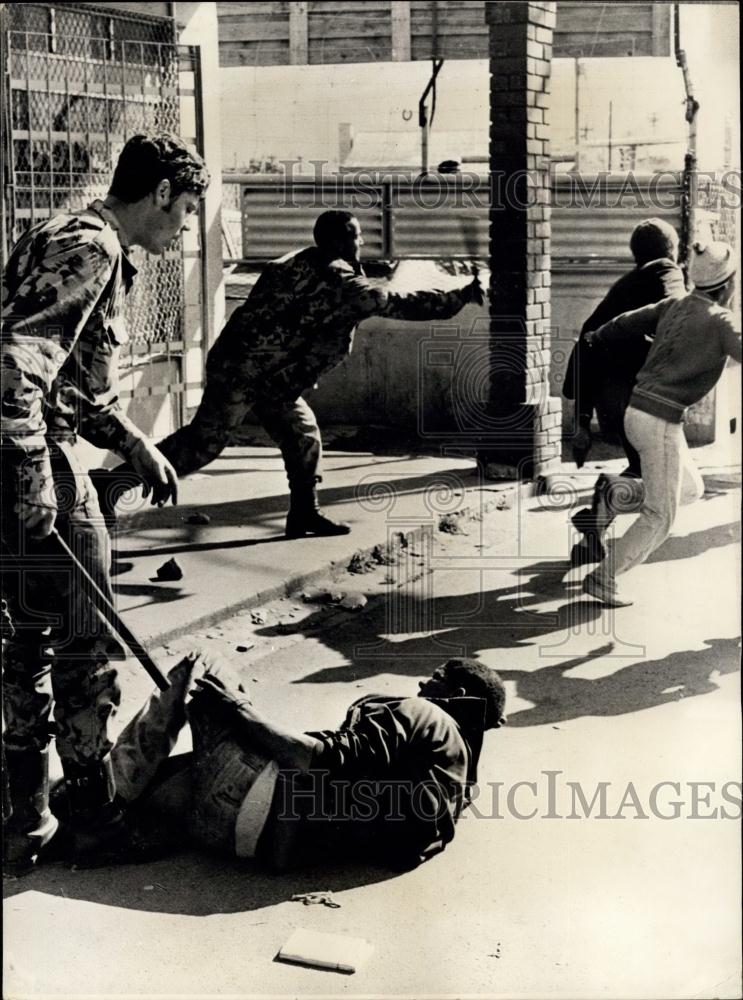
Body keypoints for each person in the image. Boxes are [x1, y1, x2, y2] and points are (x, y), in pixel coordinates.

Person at [1, 133, 210, 873]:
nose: (183, 228)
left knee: (27, 640)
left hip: (21, 454)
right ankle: (92, 820)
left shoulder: (64, 234)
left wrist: (135, 444)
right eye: (185, 210)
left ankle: (24, 821)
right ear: (161, 193)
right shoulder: (92, 249)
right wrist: (32, 476)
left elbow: (74, 385)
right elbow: (14, 366)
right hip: (35, 462)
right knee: (84, 646)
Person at [98, 210, 484, 538]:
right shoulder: (338, 280)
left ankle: (304, 513)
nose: (361, 243)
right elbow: (392, 303)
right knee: (203, 444)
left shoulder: (296, 261)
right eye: (356, 237)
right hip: (248, 373)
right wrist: (461, 297)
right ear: (338, 242)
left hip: (266, 375)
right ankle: (111, 484)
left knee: (302, 434)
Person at [49, 651, 506, 872]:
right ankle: (107, 810)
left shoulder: (426, 714)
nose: (424, 682)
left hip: (257, 804)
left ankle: (101, 811)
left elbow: (318, 761)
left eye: (438, 678)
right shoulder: (458, 784)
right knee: (90, 794)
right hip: (259, 843)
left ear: (458, 695)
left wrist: (240, 710)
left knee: (203, 664)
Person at [581, 240, 741, 607]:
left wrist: (597, 335)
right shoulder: (722, 321)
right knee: (661, 516)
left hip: (636, 412)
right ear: (727, 285)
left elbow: (625, 322)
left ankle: (616, 493)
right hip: (660, 422)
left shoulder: (674, 304)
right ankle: (604, 577)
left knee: (690, 489)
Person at [562, 218, 686, 567]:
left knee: (648, 469)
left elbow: (587, 338)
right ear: (671, 251)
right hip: (643, 400)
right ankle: (603, 533)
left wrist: (583, 418)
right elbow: (676, 313)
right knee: (665, 480)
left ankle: (593, 532)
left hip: (614, 400)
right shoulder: (667, 274)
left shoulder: (625, 286)